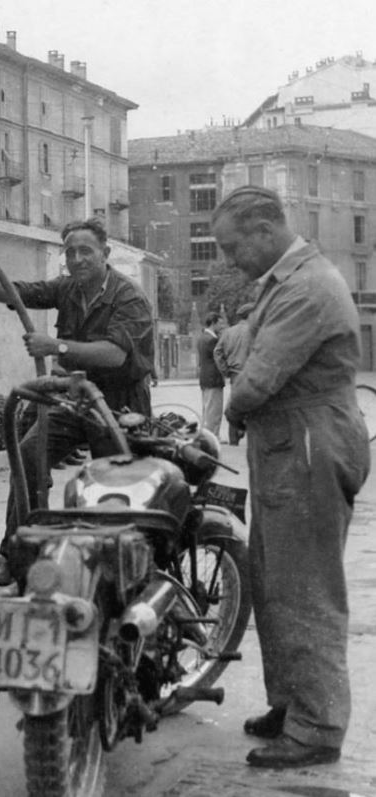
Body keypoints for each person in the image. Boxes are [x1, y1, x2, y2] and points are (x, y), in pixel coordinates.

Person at [214, 185, 370, 769]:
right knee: (276, 581)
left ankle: (317, 727)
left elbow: (257, 375)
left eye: (233, 247)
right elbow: (239, 346)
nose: (230, 260)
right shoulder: (285, 282)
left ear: (265, 230)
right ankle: (292, 705)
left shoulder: (305, 287)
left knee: (306, 589)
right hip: (290, 441)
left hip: (308, 440)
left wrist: (232, 407)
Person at [0, 216, 155, 584]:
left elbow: (115, 355)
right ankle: (18, 556)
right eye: (70, 252)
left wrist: (56, 347)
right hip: (73, 399)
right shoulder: (67, 288)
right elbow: (18, 293)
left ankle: (119, 572)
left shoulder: (129, 297)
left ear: (105, 253)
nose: (77, 259)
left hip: (119, 404)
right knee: (28, 459)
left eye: (86, 251)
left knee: (114, 485)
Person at [214, 302, 254, 444]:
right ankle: (249, 434)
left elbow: (217, 352)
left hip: (235, 373)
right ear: (250, 315)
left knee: (235, 403)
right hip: (251, 372)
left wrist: (225, 370)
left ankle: (234, 438)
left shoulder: (228, 332)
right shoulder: (255, 331)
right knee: (253, 405)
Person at [197, 311, 225, 438]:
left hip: (205, 378)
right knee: (214, 411)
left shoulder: (202, 338)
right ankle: (212, 436)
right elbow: (219, 358)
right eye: (220, 324)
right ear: (213, 323)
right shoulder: (212, 340)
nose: (222, 326)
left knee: (207, 409)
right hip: (214, 378)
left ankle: (209, 435)